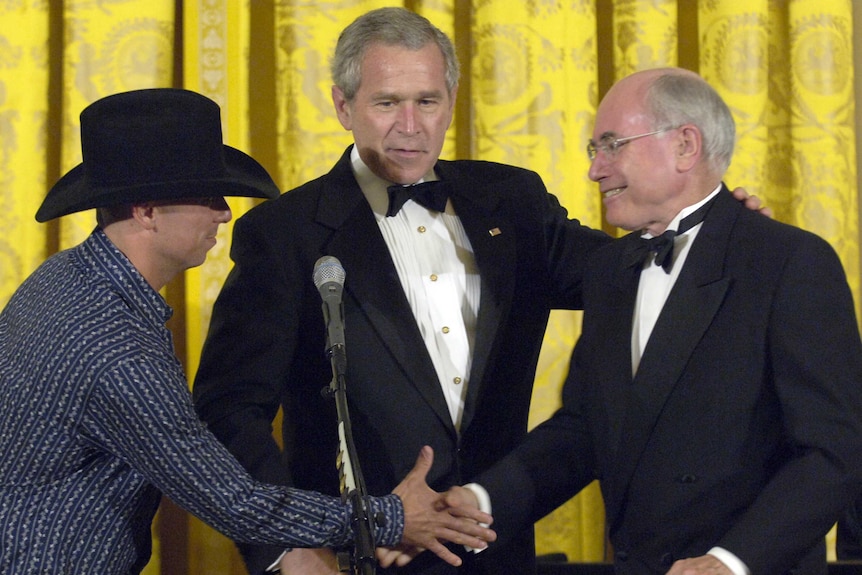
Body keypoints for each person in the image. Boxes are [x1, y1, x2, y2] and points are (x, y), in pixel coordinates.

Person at [191, 8, 765, 575]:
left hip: (497, 549)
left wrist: (714, 231)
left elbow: (629, 270)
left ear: (452, 100)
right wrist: (288, 545)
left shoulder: (511, 202)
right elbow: (228, 409)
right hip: (356, 557)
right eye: (387, 103)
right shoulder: (285, 233)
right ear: (344, 106)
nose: (411, 125)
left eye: (428, 101)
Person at [0, 88, 495, 575]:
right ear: (146, 211)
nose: (225, 211)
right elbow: (235, 503)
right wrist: (389, 517)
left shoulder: (63, 277)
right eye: (205, 196)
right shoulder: (118, 353)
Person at [445, 67, 862, 575]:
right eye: (592, 149)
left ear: (685, 145)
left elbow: (833, 454)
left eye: (612, 145)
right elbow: (582, 432)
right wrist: (478, 500)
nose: (595, 170)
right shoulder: (608, 272)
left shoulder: (789, 261)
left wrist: (730, 562)